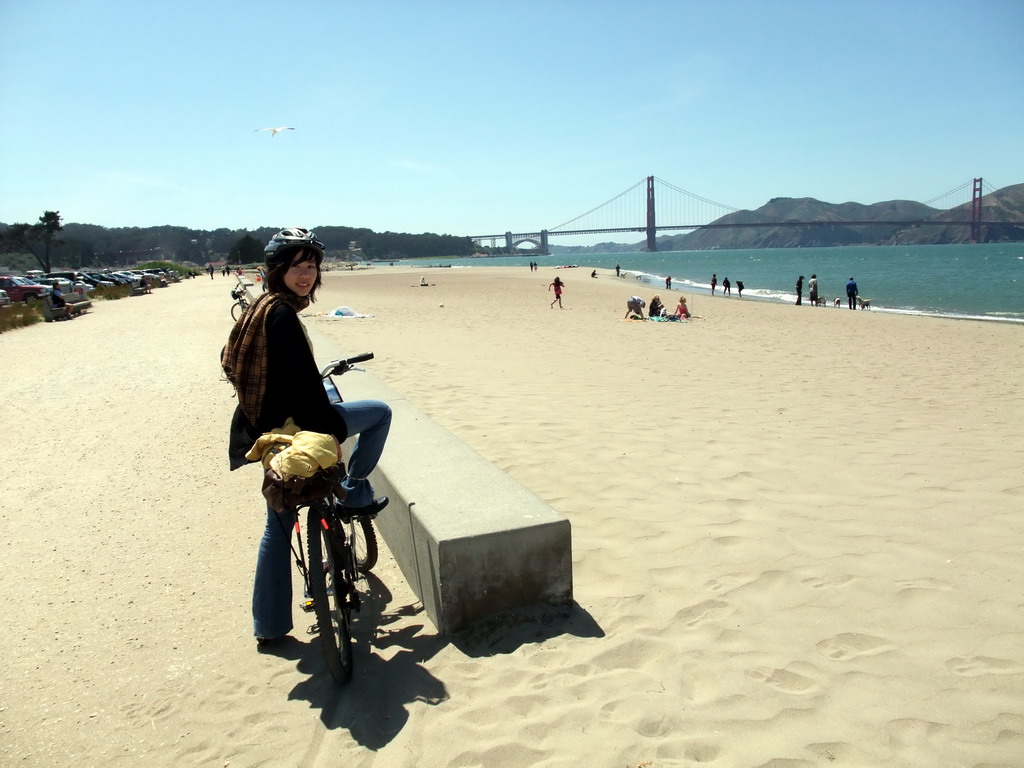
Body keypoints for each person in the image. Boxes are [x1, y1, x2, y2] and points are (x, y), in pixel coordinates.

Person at [221, 228, 391, 647]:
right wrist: (330, 432)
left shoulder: (257, 308)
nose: (305, 274)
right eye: (296, 266)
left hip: (260, 427)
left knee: (277, 528)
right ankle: (353, 490)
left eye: (311, 266)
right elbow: (304, 386)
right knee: (379, 414)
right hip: (296, 426)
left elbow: (230, 364)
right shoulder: (281, 315)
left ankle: (269, 626)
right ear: (277, 269)